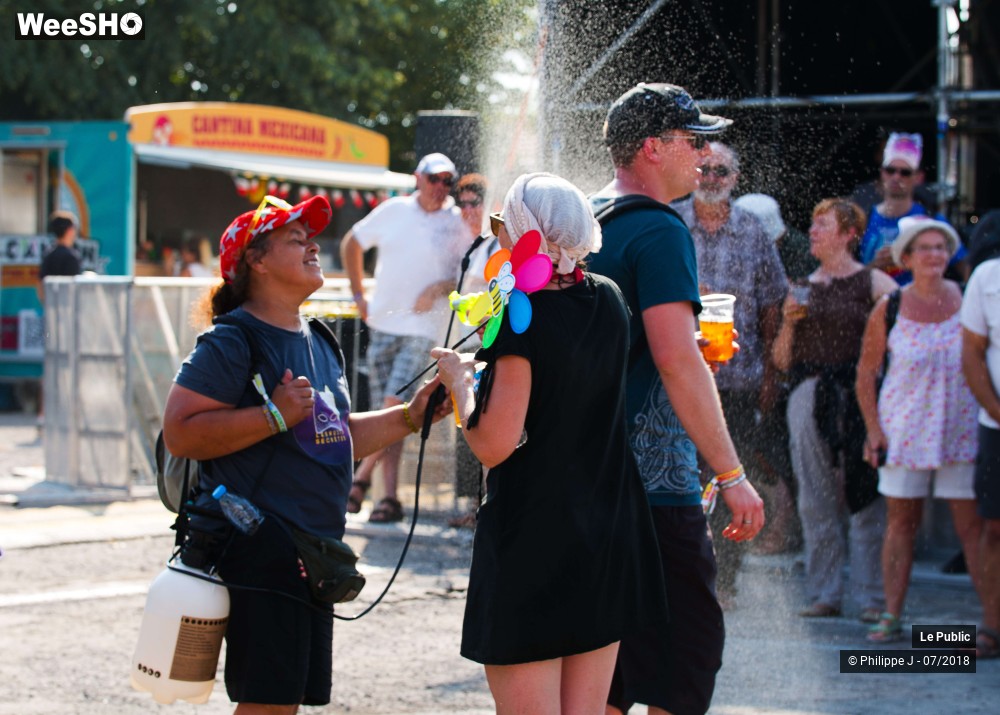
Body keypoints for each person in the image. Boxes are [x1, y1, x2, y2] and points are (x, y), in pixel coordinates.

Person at [162, 194, 449, 713]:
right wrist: (271, 415)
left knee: (284, 701)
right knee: (268, 703)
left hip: (313, 552)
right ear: (257, 259)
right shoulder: (233, 340)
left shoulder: (318, 337)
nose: (313, 244)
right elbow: (179, 432)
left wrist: (412, 415)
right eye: (296, 238)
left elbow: (331, 437)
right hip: (260, 546)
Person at [431, 172, 667, 714]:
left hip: (537, 533)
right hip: (607, 528)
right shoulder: (607, 297)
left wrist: (460, 386)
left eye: (504, 226)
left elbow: (494, 443)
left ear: (525, 231)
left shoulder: (524, 314)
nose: (500, 237)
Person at [587, 82, 764, 715]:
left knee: (609, 665)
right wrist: (732, 473)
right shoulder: (662, 229)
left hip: (586, 476)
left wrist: (683, 348)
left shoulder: (584, 218)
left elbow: (630, 343)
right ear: (654, 148)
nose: (704, 154)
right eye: (693, 141)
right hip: (655, 486)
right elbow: (673, 356)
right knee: (686, 660)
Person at [855, 215, 983, 642]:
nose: (934, 255)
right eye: (925, 248)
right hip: (903, 429)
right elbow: (867, 373)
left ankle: (992, 624)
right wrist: (873, 431)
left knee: (972, 528)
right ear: (906, 257)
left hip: (959, 429)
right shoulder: (888, 307)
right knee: (901, 524)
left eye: (941, 248)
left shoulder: (969, 300)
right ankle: (891, 615)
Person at [772, 198, 898, 623]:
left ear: (848, 233)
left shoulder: (874, 283)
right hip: (810, 392)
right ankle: (825, 592)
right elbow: (782, 361)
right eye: (812, 223)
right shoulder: (802, 286)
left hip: (863, 393)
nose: (812, 231)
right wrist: (788, 322)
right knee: (815, 497)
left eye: (822, 224)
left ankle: (872, 597)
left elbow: (904, 328)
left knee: (868, 497)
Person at [674, 142, 788, 605]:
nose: (711, 177)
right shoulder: (672, 221)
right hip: (681, 374)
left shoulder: (751, 228)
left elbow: (771, 304)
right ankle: (683, 574)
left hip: (740, 377)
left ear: (735, 177)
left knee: (731, 476)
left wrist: (768, 376)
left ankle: (724, 580)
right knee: (680, 474)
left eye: (721, 170)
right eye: (703, 168)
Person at [340, 153, 469, 522]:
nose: (441, 187)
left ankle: (360, 480)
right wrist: (358, 295)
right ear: (418, 178)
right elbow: (352, 243)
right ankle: (389, 498)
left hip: (424, 331)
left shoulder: (457, 221)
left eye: (448, 181)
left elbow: (469, 272)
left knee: (393, 402)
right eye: (435, 179)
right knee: (391, 412)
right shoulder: (394, 209)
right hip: (383, 324)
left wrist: (438, 287)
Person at [449, 172, 498, 529]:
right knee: (469, 430)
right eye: (462, 203)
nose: (467, 210)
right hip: (470, 345)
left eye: (473, 202)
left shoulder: (496, 242)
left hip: (491, 346)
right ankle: (479, 507)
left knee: (486, 425)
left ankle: (490, 510)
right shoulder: (472, 241)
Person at [856, 132, 967, 285]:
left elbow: (966, 270)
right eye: (890, 170)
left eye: (905, 173)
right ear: (882, 173)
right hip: (873, 304)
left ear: (918, 177)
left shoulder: (933, 222)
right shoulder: (862, 221)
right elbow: (845, 277)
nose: (896, 177)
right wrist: (875, 267)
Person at [960, 255, 1000, 659]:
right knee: (994, 529)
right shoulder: (988, 276)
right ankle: (992, 625)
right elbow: (971, 354)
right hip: (996, 425)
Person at [37, 210, 82, 303]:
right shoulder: (71, 257)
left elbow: (40, 286)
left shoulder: (48, 256)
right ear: (69, 230)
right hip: (68, 310)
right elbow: (74, 288)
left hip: (51, 310)